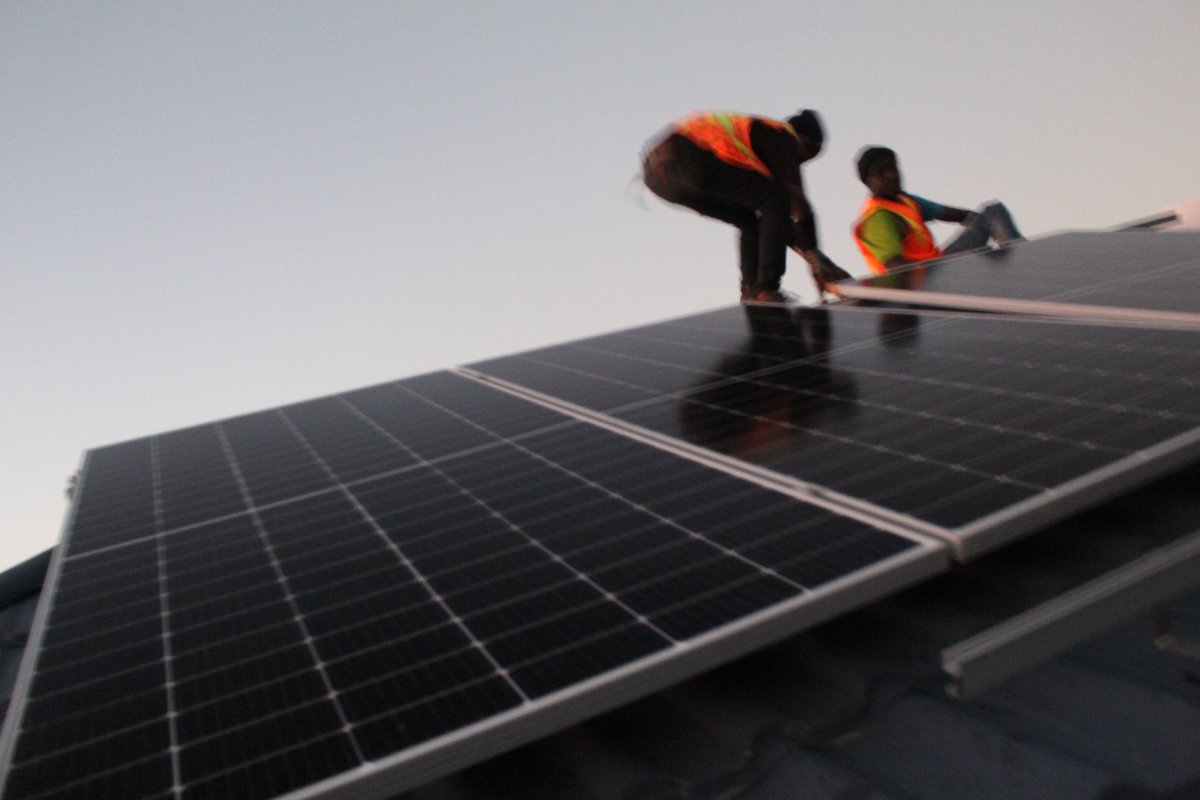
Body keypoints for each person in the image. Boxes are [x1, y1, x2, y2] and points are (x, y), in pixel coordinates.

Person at [642, 109, 851, 302]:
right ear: (804, 143)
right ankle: (767, 288)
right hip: (687, 161)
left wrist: (815, 260)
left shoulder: (753, 151)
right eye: (805, 158)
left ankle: (751, 291)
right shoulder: (779, 136)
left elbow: (775, 225)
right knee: (776, 198)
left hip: (658, 180)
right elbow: (796, 204)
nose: (798, 165)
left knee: (748, 219)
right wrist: (814, 255)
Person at [852, 146, 1025, 275]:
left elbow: (962, 216)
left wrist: (985, 248)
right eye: (881, 173)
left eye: (893, 168)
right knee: (991, 219)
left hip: (938, 266)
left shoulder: (907, 201)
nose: (892, 176)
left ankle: (1024, 265)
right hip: (923, 282)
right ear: (868, 182)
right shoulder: (877, 219)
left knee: (991, 214)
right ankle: (1025, 265)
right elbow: (898, 269)